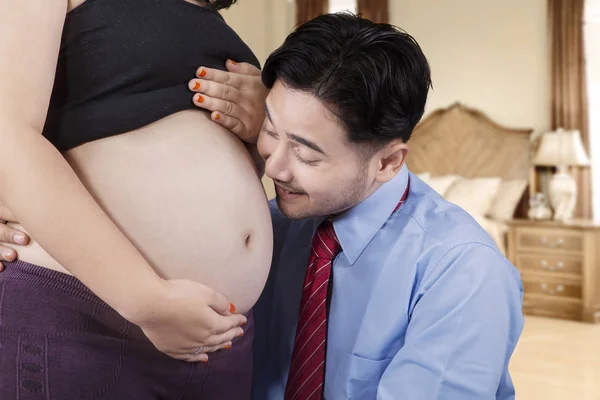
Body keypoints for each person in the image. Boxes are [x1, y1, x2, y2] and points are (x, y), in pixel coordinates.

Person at [1, 11, 524, 400]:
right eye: (268, 133)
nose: (271, 169)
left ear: (389, 162)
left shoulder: (460, 272)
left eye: (308, 152)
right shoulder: (289, 230)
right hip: (91, 324)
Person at [0, 0, 273, 398]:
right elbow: (9, 136)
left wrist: (262, 128)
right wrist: (147, 301)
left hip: (222, 337)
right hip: (85, 318)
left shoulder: (213, 25)